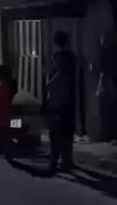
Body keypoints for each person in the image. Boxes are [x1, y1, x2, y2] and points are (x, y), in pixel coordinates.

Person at [46, 30, 77, 172]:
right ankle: (65, 160)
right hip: (66, 102)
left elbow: (52, 84)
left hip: (59, 103)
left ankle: (57, 160)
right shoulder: (71, 59)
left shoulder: (61, 62)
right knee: (66, 133)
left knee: (57, 133)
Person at [0, 64, 18, 159]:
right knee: (6, 132)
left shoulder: (1, 89)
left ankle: (7, 151)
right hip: (6, 113)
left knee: (4, 132)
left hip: (4, 113)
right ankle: (8, 151)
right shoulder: (11, 87)